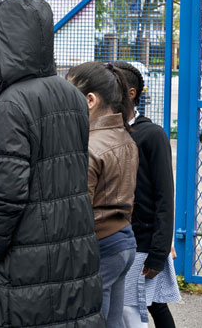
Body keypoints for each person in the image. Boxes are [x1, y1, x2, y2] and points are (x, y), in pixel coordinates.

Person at [0, 0, 103, 328]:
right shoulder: (70, 93)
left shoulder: (12, 104)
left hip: (20, 267)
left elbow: (7, 197)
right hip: (69, 256)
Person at [67, 61, 139, 328]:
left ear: (89, 100)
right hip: (123, 241)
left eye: (68, 92)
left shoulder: (89, 146)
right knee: (113, 320)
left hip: (100, 246)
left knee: (92, 320)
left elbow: (79, 211)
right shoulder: (125, 137)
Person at [112, 62, 181, 328]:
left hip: (142, 242)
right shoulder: (106, 130)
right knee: (140, 304)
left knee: (140, 306)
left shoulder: (152, 135)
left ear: (131, 94)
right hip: (114, 237)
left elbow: (165, 196)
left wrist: (159, 251)